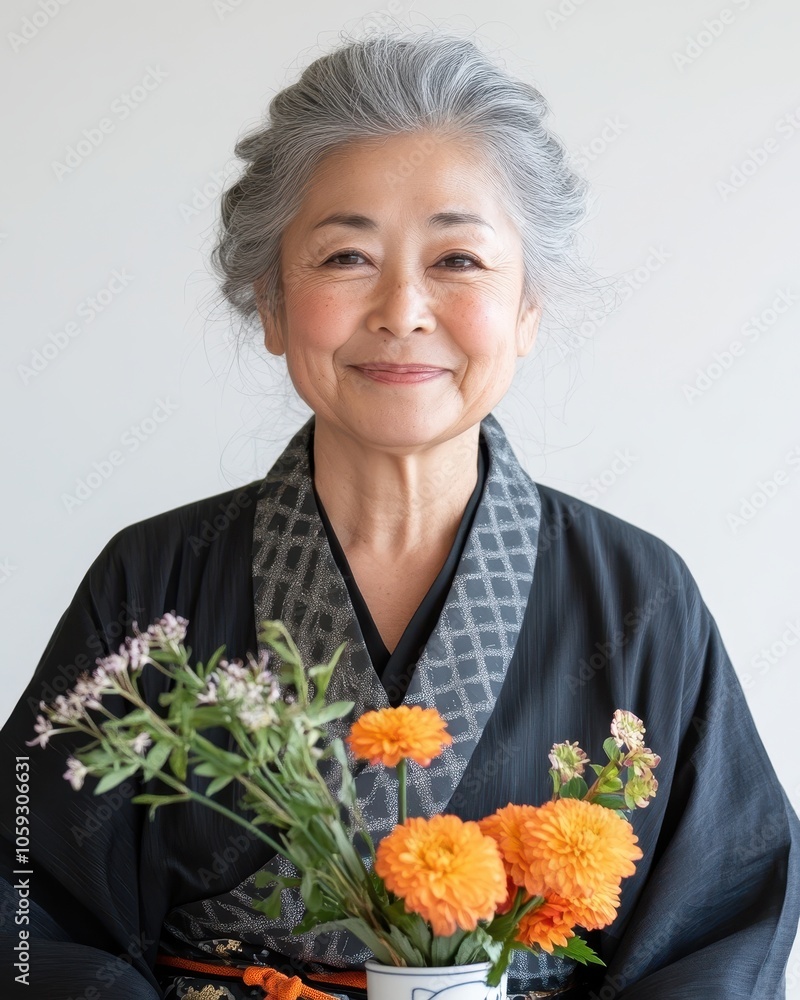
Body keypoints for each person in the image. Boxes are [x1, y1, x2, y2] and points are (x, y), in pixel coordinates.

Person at [2, 26, 799, 1000]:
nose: (401, 307)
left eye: (457, 260)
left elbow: (717, 927)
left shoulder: (635, 594)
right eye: (344, 255)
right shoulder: (155, 577)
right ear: (269, 301)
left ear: (525, 310)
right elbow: (25, 900)